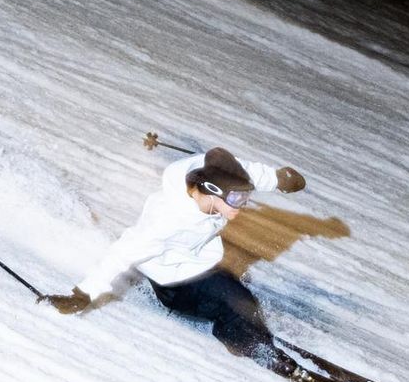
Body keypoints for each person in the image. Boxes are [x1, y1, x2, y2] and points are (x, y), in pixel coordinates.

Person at [42, 146, 307, 370]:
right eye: (237, 198)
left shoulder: (213, 174)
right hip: (175, 284)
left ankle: (248, 327)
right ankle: (255, 347)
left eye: (245, 196)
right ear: (212, 191)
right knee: (236, 300)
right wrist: (84, 293)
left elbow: (246, 171)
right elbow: (124, 251)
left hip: (196, 259)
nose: (243, 203)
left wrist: (278, 179)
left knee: (234, 290)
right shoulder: (168, 220)